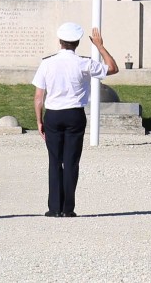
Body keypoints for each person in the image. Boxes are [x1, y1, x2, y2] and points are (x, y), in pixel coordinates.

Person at [32, 22, 117, 217]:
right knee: (71, 162)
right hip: (74, 115)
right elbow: (112, 68)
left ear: (60, 41)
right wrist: (100, 46)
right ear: (77, 42)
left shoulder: (47, 63)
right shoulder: (84, 63)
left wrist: (39, 121)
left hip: (53, 114)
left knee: (54, 162)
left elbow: (38, 98)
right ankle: (68, 209)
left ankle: (54, 208)